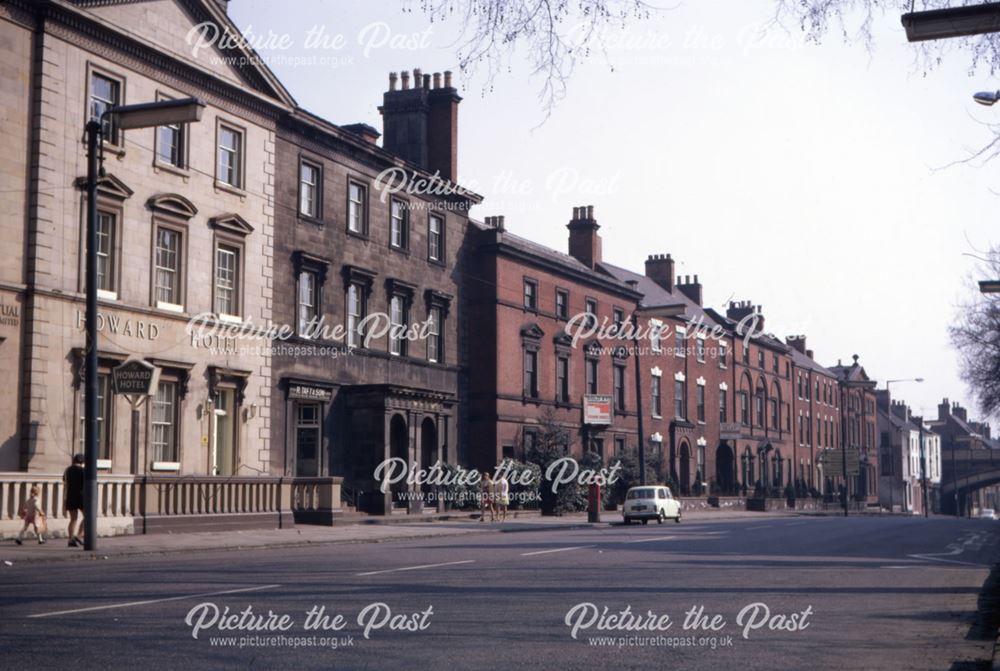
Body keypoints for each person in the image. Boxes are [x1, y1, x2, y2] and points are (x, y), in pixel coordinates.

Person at [64, 453, 85, 547]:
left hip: (70, 496)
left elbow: (64, 480)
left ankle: (70, 539)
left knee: (73, 519)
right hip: (80, 496)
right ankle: (79, 535)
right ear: (82, 462)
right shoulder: (82, 470)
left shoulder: (67, 470)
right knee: (88, 517)